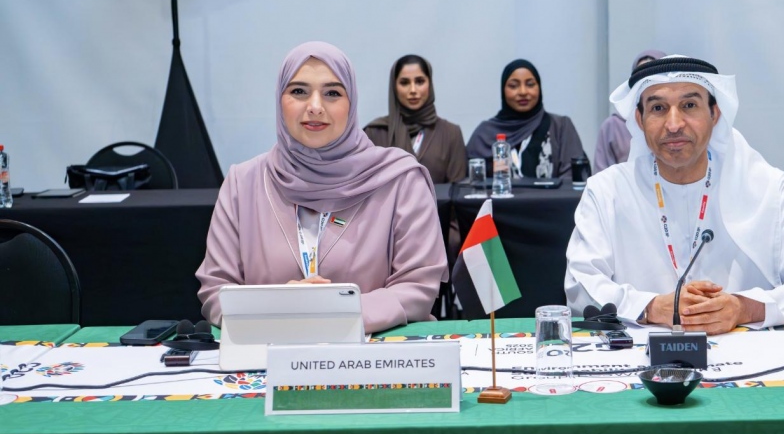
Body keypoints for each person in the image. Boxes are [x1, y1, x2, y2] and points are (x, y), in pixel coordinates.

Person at [564, 56, 784, 334]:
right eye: (658, 108)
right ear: (640, 119)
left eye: (689, 105)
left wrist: (745, 308)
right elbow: (580, 285)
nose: (673, 124)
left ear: (714, 114)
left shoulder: (768, 187)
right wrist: (650, 307)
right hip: (639, 352)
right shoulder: (607, 191)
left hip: (746, 348)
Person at [196, 41, 448, 333]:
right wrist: (280, 306)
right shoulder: (243, 183)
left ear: (351, 102)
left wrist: (330, 312)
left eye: (332, 93)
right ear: (279, 100)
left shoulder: (399, 180)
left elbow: (418, 288)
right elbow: (216, 291)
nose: (315, 107)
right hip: (269, 352)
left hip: (374, 352)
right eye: (298, 91)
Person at [466, 59, 585, 180]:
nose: (523, 92)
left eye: (530, 84)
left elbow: (573, 178)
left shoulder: (560, 127)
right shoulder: (484, 134)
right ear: (503, 90)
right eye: (513, 86)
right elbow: (470, 182)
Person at [364, 55, 467, 184]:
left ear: (430, 84)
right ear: (394, 87)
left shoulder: (451, 133)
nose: (413, 90)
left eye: (419, 81)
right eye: (404, 83)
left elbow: (457, 191)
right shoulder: (374, 133)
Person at [594, 49, 666, 173]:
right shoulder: (613, 125)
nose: (647, 84)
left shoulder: (676, 124)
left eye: (654, 77)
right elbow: (602, 175)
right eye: (641, 78)